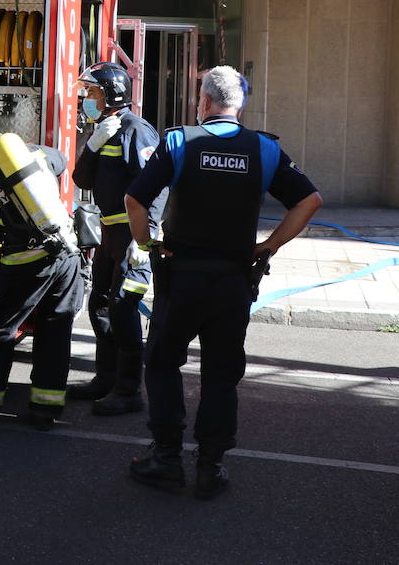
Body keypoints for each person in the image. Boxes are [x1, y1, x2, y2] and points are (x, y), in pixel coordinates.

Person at [124, 66, 322, 498]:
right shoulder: (264, 149)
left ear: (205, 101)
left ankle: (167, 459)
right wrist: (268, 246)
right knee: (220, 373)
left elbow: (135, 199)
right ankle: (210, 468)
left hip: (182, 278)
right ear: (239, 105)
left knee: (162, 362)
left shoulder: (179, 141)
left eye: (199, 97)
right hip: (233, 281)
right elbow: (310, 200)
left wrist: (148, 244)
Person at [0, 113, 85, 431]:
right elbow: (61, 161)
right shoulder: (32, 153)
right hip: (66, 255)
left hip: (22, 262)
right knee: (56, 330)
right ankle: (45, 411)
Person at [69, 61, 164, 416]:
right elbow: (82, 180)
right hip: (110, 232)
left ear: (111, 95)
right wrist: (93, 144)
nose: (86, 99)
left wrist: (146, 239)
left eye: (91, 93)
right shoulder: (104, 129)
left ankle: (128, 391)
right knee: (101, 305)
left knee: (124, 308)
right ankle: (105, 379)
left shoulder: (137, 131)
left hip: (130, 235)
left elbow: (156, 188)